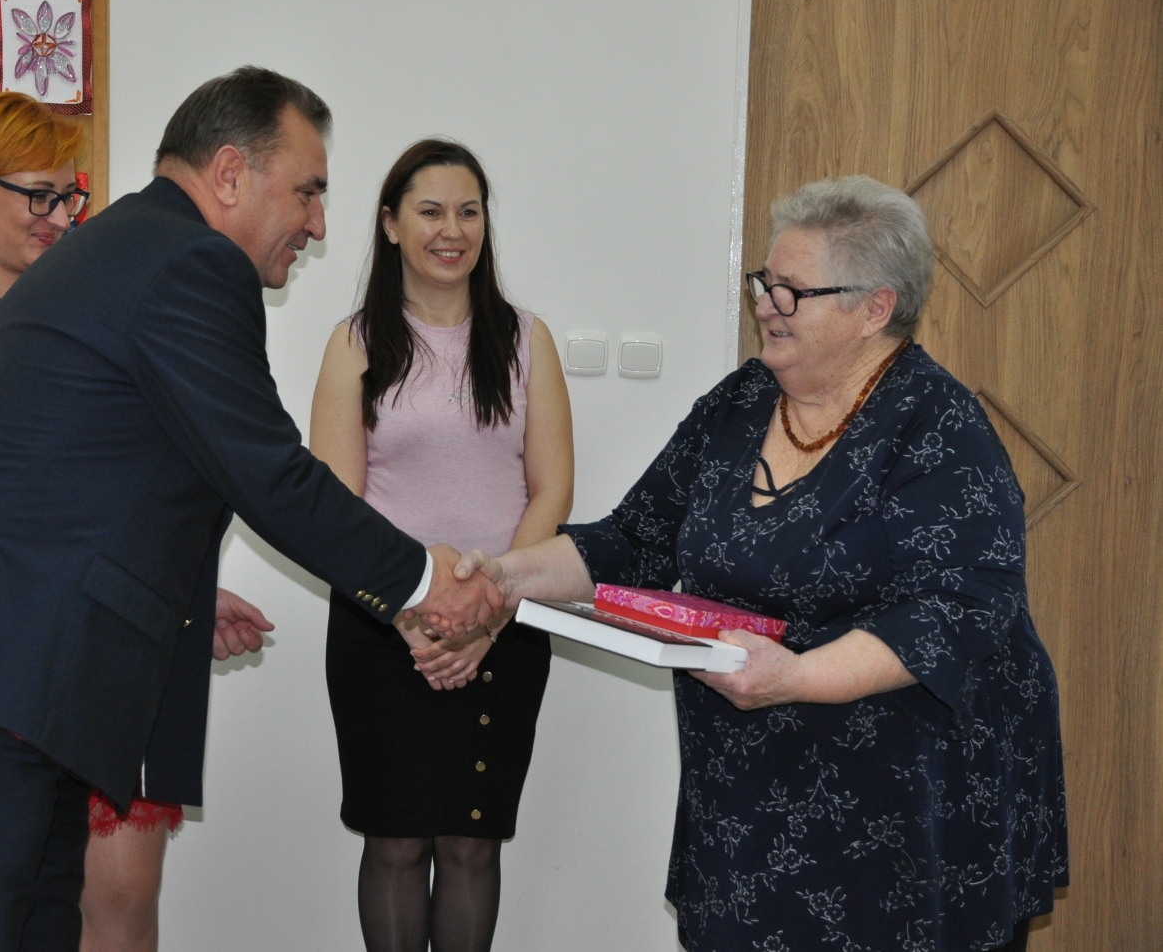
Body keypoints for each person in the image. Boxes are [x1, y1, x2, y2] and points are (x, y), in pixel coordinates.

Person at [0, 67, 501, 951]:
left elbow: (114, 487)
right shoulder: (189, 262)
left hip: (11, 689)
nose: (318, 224)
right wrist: (421, 580)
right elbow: (268, 472)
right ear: (230, 173)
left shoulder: (132, 249)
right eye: (308, 191)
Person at [456, 176, 1067, 952]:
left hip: (910, 800)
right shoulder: (740, 402)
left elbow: (958, 608)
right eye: (764, 283)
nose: (767, 306)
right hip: (752, 788)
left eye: (793, 292)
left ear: (874, 309)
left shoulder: (938, 425)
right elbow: (633, 541)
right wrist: (505, 579)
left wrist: (799, 677)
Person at [0, 90, 264, 952]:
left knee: (81, 911)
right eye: (36, 196)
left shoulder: (95, 307)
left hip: (79, 667)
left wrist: (183, 593)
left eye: (69, 197)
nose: (58, 217)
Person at [310, 140, 573, 952]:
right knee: (394, 844)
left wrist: (487, 617)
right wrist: (412, 617)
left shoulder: (527, 339)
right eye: (430, 212)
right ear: (391, 224)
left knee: (469, 845)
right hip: (383, 627)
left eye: (468, 211)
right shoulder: (355, 343)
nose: (451, 230)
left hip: (505, 623)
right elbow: (334, 509)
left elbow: (552, 492)